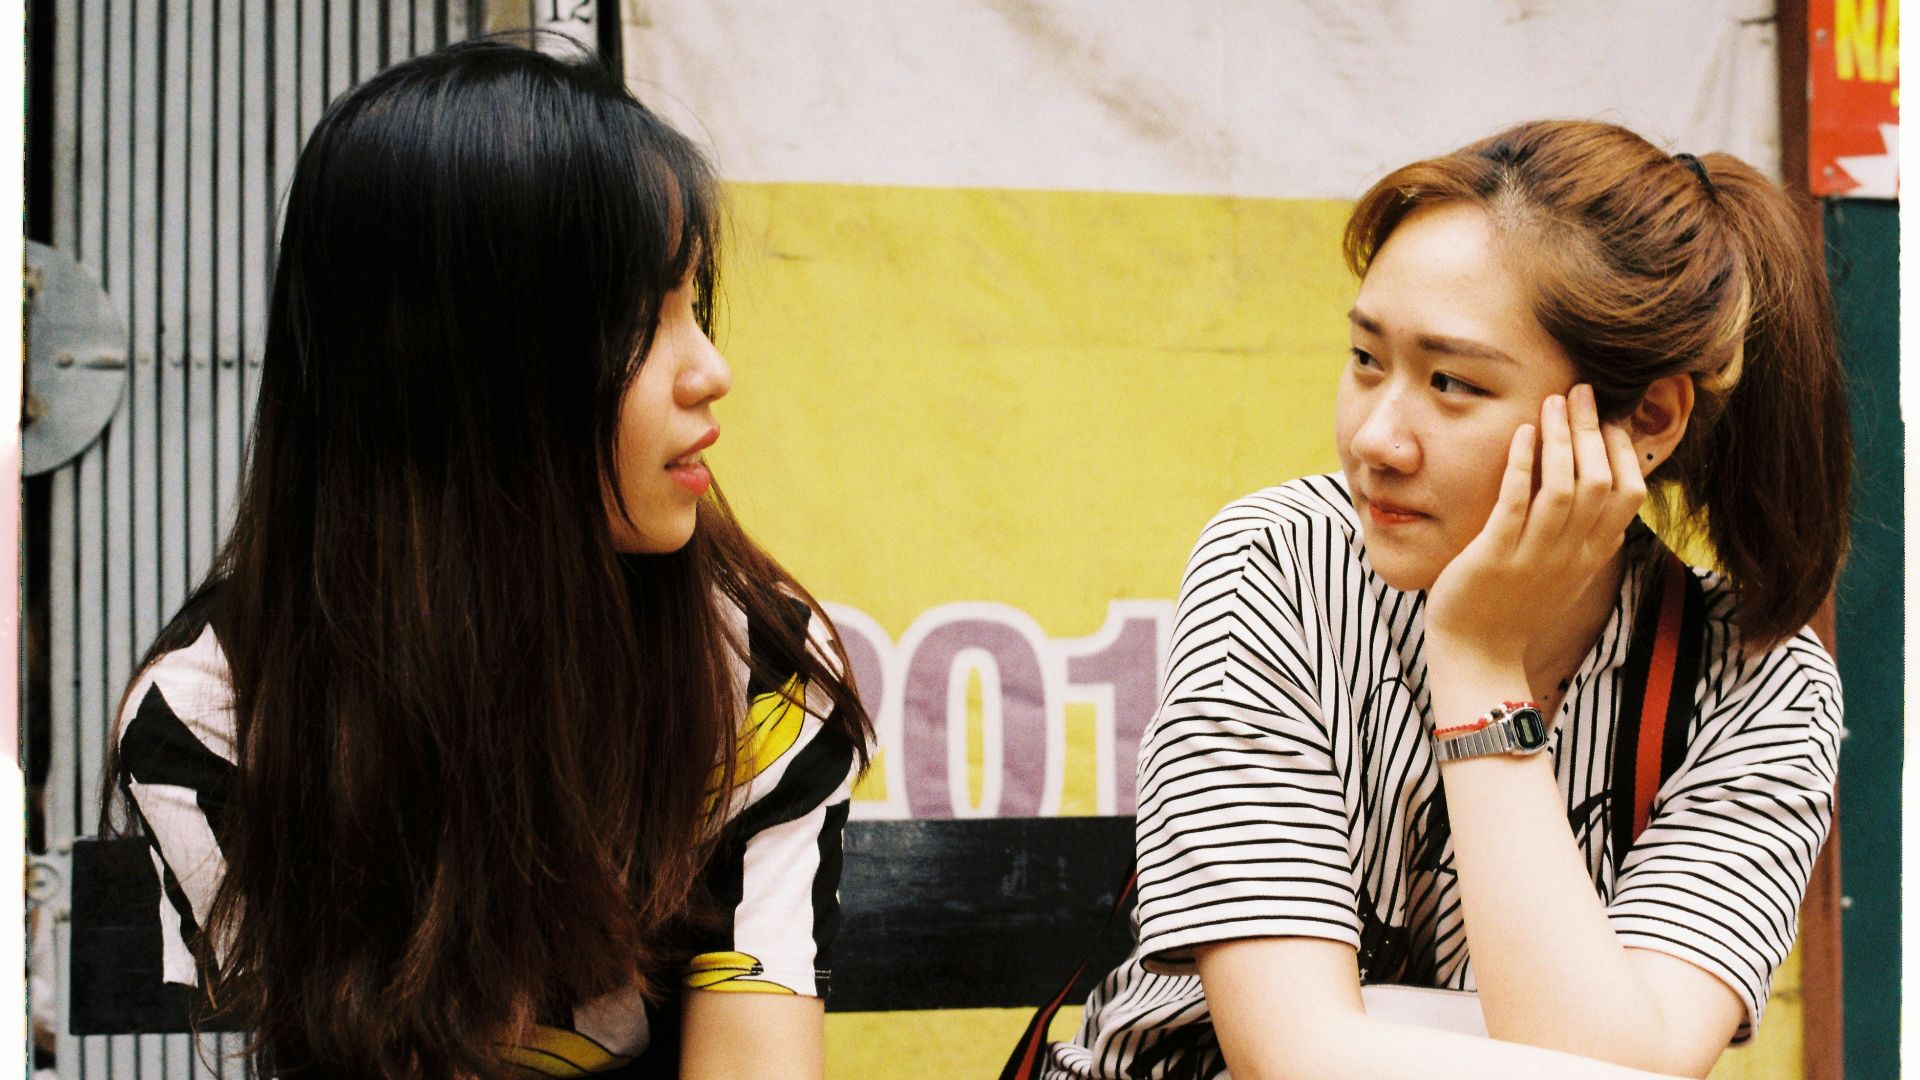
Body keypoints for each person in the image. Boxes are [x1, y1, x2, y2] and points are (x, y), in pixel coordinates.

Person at [105, 37, 869, 1080]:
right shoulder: (214, 722)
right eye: (646, 319)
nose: (712, 371)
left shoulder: (758, 665)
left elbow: (756, 1053)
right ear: (460, 373)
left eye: (697, 303)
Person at [1046, 120, 1849, 1079]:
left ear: (1648, 419)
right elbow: (1290, 1055)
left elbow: (1628, 1067)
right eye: (1365, 360)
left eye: (1452, 382)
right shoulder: (1279, 563)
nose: (1377, 439)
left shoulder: (1764, 690)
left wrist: (1476, 663)